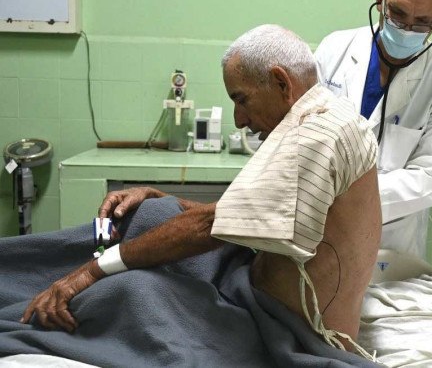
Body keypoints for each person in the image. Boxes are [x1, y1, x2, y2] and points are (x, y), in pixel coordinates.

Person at [15, 25, 382, 364]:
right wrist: (163, 199)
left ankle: (59, 283)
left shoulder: (313, 136)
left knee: (131, 287)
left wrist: (90, 272)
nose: (239, 120)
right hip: (249, 285)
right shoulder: (320, 116)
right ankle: (68, 263)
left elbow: (209, 225)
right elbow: (240, 217)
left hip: (284, 329)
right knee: (149, 215)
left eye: (242, 100)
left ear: (280, 83)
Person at [315, 0, 432, 260]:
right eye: (398, 14)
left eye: (422, 22)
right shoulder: (335, 49)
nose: (406, 29)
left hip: (391, 241)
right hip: (319, 227)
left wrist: (354, 196)